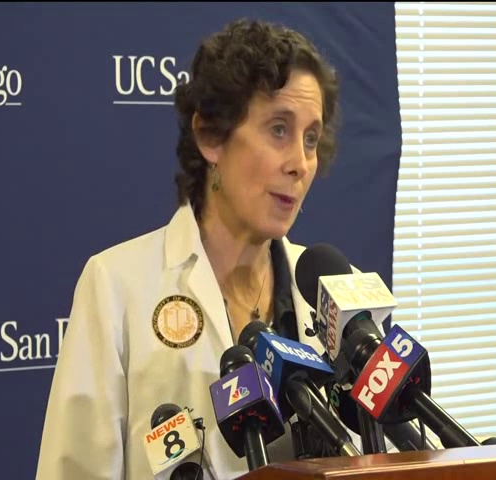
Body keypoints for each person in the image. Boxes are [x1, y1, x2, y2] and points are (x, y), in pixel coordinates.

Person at [35, 17, 349, 480]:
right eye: (279, 129)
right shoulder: (116, 286)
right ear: (210, 137)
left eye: (310, 138)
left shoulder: (329, 287)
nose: (300, 164)